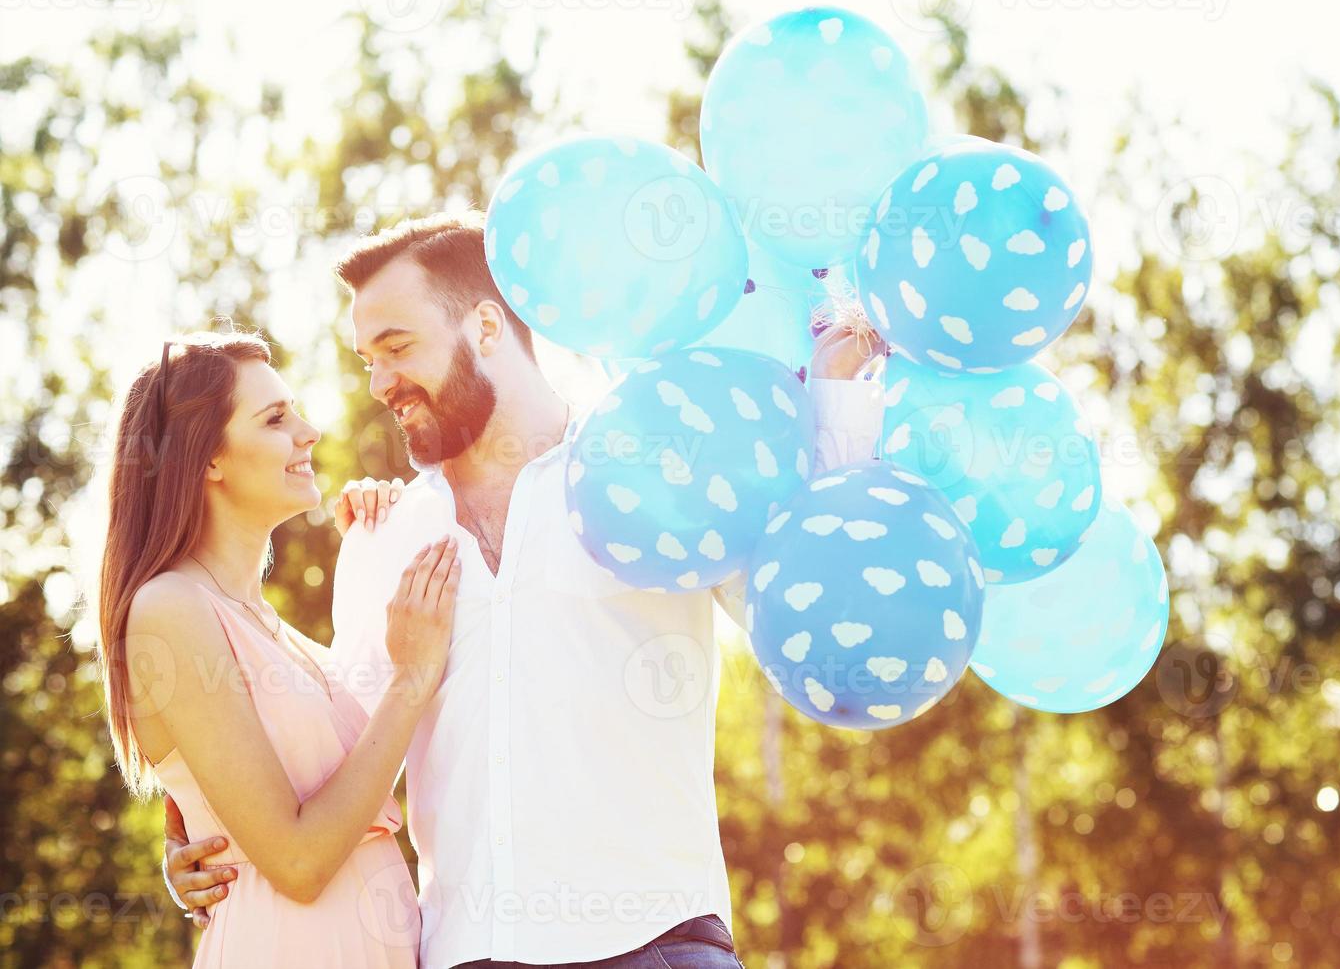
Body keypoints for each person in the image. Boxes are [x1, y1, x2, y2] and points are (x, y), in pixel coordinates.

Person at [165, 214, 886, 968]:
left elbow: (802, 614)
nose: (379, 384)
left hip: (658, 945)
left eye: (397, 347)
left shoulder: (656, 476)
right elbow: (327, 762)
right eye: (366, 359)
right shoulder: (382, 538)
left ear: (483, 326)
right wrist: (191, 826)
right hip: (465, 956)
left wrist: (836, 417)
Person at [96, 330, 461, 966]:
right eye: (275, 418)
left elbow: (320, 791)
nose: (309, 431)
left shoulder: (274, 631)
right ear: (207, 457)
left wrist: (386, 537)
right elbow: (297, 860)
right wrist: (412, 682)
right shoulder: (171, 608)